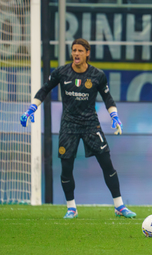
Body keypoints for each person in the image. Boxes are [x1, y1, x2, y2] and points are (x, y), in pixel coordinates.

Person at [20, 38, 136, 219]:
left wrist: (115, 116)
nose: (76, 53)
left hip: (91, 124)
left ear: (87, 53)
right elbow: (44, 90)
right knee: (66, 167)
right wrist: (31, 109)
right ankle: (71, 208)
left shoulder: (97, 75)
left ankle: (119, 206)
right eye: (74, 50)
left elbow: (108, 99)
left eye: (80, 51)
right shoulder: (62, 72)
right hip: (69, 125)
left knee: (107, 164)